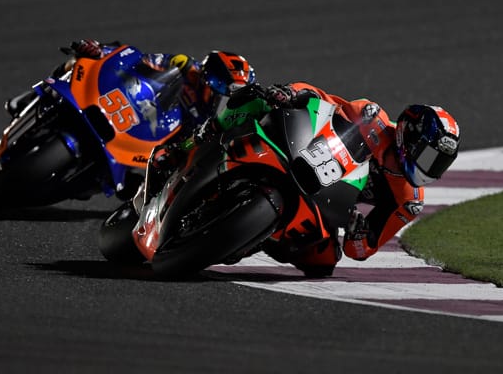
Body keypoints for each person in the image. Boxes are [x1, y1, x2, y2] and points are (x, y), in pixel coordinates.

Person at [182, 81, 461, 277]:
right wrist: (292, 93)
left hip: (326, 202)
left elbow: (361, 250)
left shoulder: (408, 200)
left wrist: (358, 231)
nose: (429, 166)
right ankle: (198, 138)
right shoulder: (371, 117)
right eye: (428, 155)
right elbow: (322, 99)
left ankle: (253, 236)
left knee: (323, 263)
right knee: (256, 100)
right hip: (304, 150)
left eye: (438, 162)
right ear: (410, 135)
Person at [5, 39, 257, 141]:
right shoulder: (184, 64)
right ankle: (30, 97)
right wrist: (102, 51)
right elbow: (141, 60)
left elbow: (187, 138)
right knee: (82, 59)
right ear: (209, 68)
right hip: (131, 93)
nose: (219, 87)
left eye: (226, 87)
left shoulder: (209, 112)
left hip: (145, 128)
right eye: (218, 78)